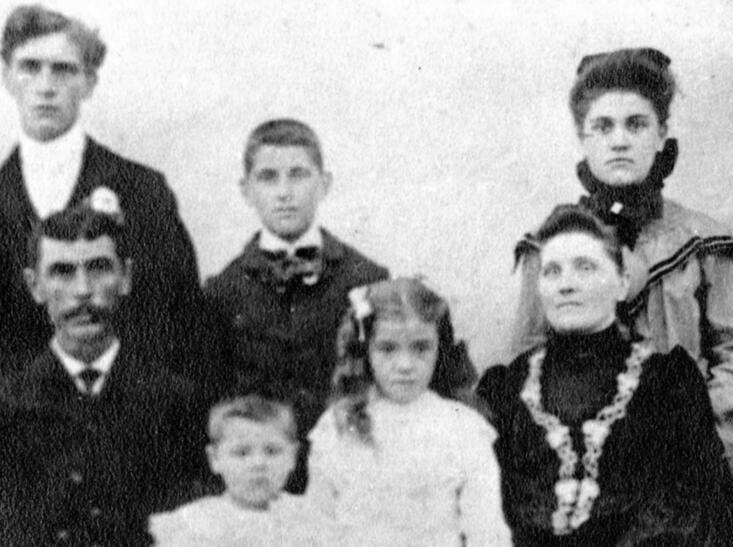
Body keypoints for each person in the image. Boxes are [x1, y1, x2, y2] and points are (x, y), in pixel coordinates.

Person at [0, 4, 203, 411]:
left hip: (133, 429)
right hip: (24, 437)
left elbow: (180, 325)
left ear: (89, 82)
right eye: (30, 67)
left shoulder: (142, 190)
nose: (45, 86)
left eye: (64, 70)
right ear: (7, 77)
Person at [514, 47, 733, 450]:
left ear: (661, 134)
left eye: (636, 125)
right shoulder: (548, 246)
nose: (620, 142)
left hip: (679, 463)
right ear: (583, 139)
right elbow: (524, 360)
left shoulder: (704, 244)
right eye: (603, 127)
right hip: (578, 463)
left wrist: (691, 441)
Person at [482, 205, 733, 545]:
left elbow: (701, 520)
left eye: (585, 267)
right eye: (552, 271)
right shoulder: (508, 390)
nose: (566, 285)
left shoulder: (666, 384)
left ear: (621, 283)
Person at [0, 206, 204, 546]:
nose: (83, 290)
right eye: (62, 272)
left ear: (125, 277)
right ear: (34, 286)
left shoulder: (178, 403)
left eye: (99, 268)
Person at [204, 118, 389, 491]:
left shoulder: (366, 279)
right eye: (268, 177)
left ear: (324, 184)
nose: (284, 192)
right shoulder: (221, 293)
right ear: (246, 190)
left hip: (346, 481)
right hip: (259, 486)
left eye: (299, 175)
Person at [306, 278, 509, 547]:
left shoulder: (463, 428)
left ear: (441, 348)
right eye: (387, 348)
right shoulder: (338, 426)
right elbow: (317, 527)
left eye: (421, 347)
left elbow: (487, 532)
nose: (405, 365)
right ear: (365, 351)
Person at [149, 395, 332, 547]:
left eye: (272, 451)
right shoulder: (197, 523)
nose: (258, 464)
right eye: (242, 453)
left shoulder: (308, 518)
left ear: (292, 456)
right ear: (215, 459)